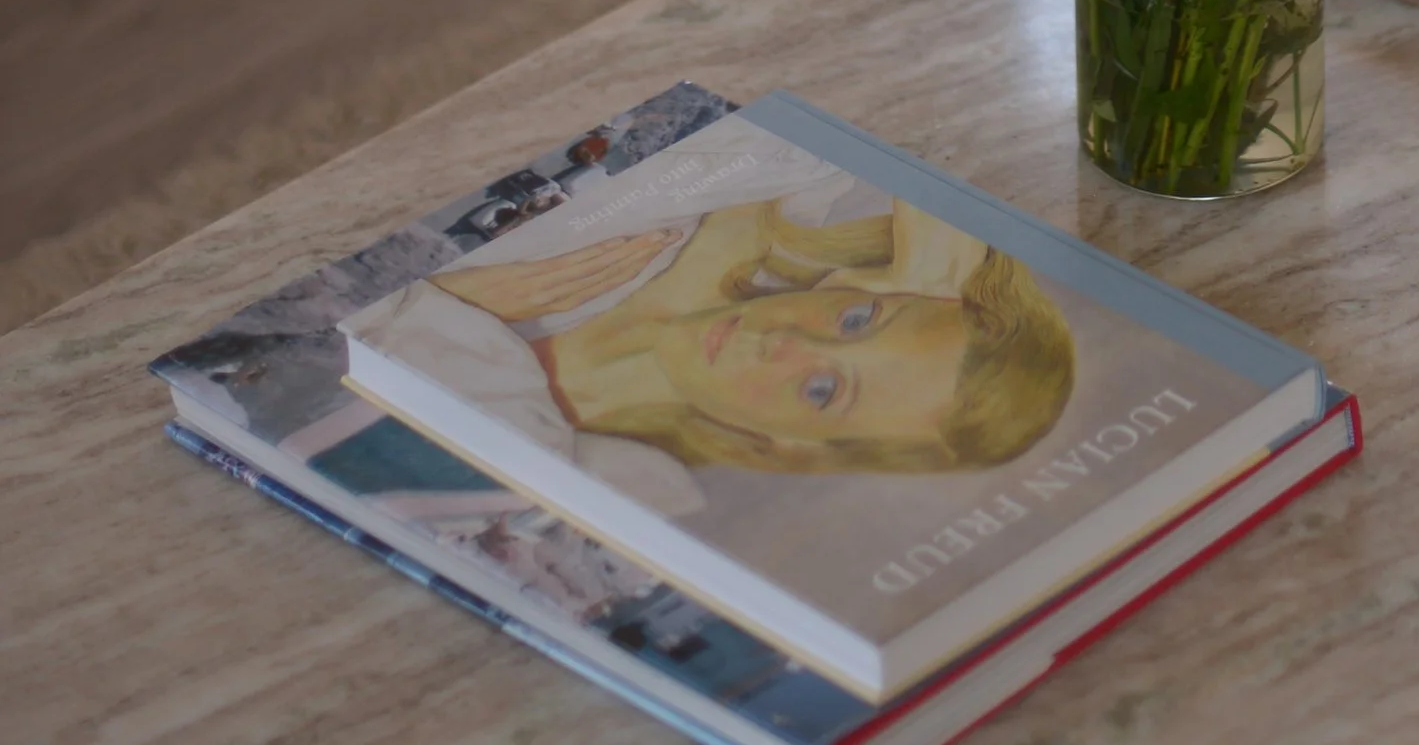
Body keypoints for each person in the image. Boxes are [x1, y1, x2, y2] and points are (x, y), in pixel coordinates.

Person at [352, 180, 1075, 517]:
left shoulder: (608, 480)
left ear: (793, 446)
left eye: (822, 391)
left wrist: (439, 305)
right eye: (856, 320)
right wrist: (922, 276)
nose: (784, 340)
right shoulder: (767, 197)